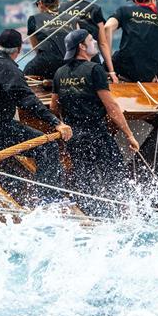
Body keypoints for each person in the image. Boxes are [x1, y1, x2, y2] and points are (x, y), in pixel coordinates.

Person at [0, 29, 73, 201]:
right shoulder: (11, 71)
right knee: (48, 147)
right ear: (19, 50)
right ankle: (50, 202)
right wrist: (56, 122)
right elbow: (28, 101)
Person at [51, 29, 139, 214]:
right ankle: (124, 214)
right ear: (82, 47)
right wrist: (129, 135)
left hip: (74, 137)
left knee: (85, 179)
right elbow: (112, 107)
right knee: (115, 176)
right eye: (91, 40)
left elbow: (54, 107)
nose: (95, 43)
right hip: (96, 134)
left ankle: (90, 215)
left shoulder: (59, 73)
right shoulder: (95, 69)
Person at [58, 0, 114, 79]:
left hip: (68, 60)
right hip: (91, 60)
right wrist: (112, 72)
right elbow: (102, 43)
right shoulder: (94, 8)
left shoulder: (61, 9)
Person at [24, 0, 74, 80]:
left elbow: (36, 48)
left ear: (40, 3)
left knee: (25, 75)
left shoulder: (34, 19)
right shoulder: (71, 18)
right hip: (68, 61)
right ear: (58, 2)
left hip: (46, 61)